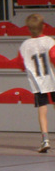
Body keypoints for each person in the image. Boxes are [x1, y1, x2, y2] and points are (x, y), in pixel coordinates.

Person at [18, 13, 55, 153]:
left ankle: (45, 140)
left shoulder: (25, 45)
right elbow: (54, 56)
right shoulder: (49, 41)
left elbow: (21, 64)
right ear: (44, 26)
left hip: (38, 82)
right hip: (52, 79)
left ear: (28, 28)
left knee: (42, 110)